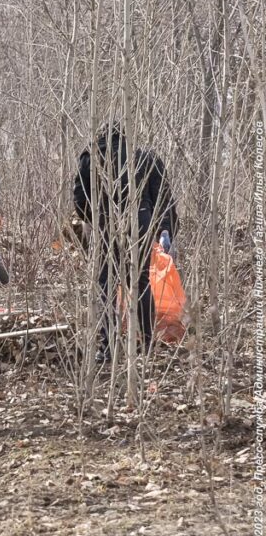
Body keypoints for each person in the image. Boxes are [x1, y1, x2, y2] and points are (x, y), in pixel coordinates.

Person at [73, 123, 177, 360]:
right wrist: (164, 230)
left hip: (104, 226)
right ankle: (147, 344)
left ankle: (107, 348)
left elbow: (79, 198)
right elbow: (164, 197)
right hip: (138, 222)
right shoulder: (145, 157)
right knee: (140, 283)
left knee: (105, 286)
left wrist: (95, 220)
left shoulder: (91, 156)